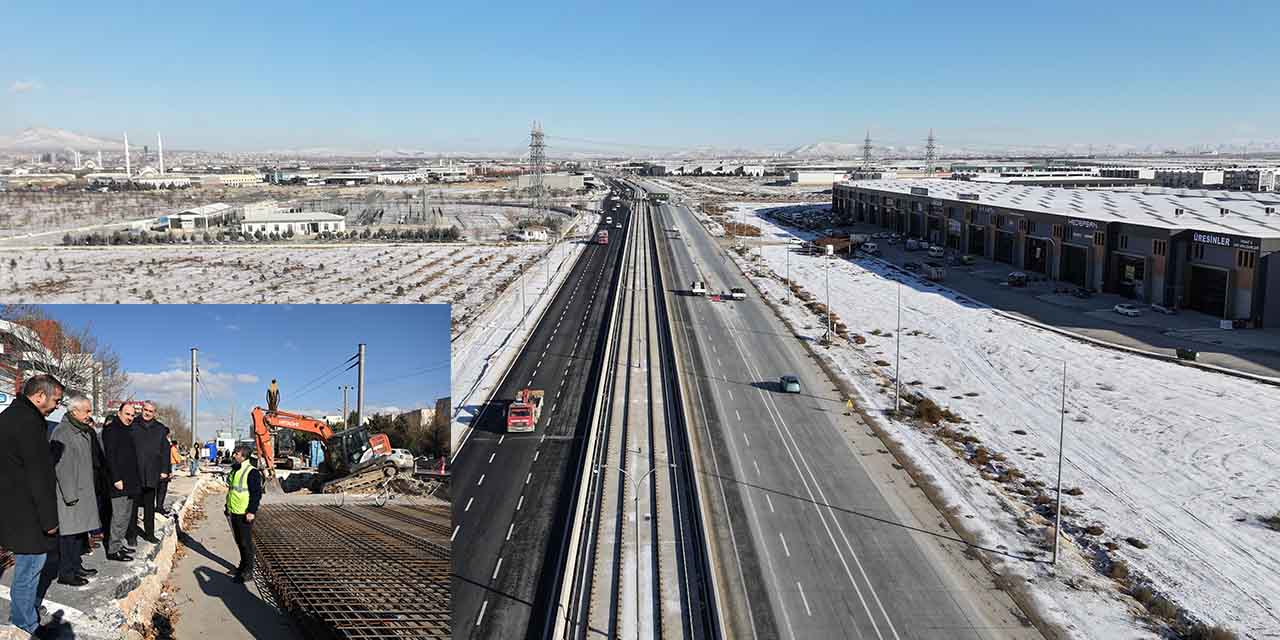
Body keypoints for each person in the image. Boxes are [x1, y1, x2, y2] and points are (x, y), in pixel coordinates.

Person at [0, 375, 64, 635]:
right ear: (39, 396)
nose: (57, 406)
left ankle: (25, 613)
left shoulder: (8, 417)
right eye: (56, 400)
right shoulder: (29, 423)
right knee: (29, 569)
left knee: (26, 567)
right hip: (27, 511)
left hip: (9, 505)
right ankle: (25, 623)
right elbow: (38, 477)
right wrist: (49, 521)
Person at [49, 394, 101, 587]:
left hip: (83, 492)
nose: (90, 414)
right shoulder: (63, 432)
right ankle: (66, 573)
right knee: (69, 536)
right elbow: (62, 467)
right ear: (74, 411)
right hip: (70, 494)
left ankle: (76, 566)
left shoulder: (82, 431)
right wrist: (70, 496)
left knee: (79, 535)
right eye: (87, 410)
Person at [100, 402, 141, 561]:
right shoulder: (111, 430)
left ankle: (118, 544)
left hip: (131, 480)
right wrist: (116, 478)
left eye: (132, 415)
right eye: (127, 414)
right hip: (119, 481)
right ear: (119, 413)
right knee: (118, 516)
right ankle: (113, 550)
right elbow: (110, 456)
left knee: (126, 516)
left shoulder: (129, 430)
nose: (130, 418)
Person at [130, 402, 168, 539]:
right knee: (133, 507)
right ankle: (132, 535)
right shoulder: (133, 425)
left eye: (150, 411)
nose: (147, 413)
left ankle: (150, 534)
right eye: (145, 410)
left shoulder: (160, 429)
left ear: (154, 413)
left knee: (149, 506)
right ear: (142, 410)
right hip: (135, 472)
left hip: (152, 473)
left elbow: (165, 451)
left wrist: (165, 470)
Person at [224, 445, 262, 584]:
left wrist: (251, 511)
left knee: (246, 543)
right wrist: (227, 506)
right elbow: (232, 490)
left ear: (244, 456)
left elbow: (256, 494)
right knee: (239, 541)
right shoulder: (236, 469)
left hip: (244, 513)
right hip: (234, 510)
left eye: (237, 453)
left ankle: (248, 571)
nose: (234, 455)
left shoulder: (251, 472)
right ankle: (243, 565)